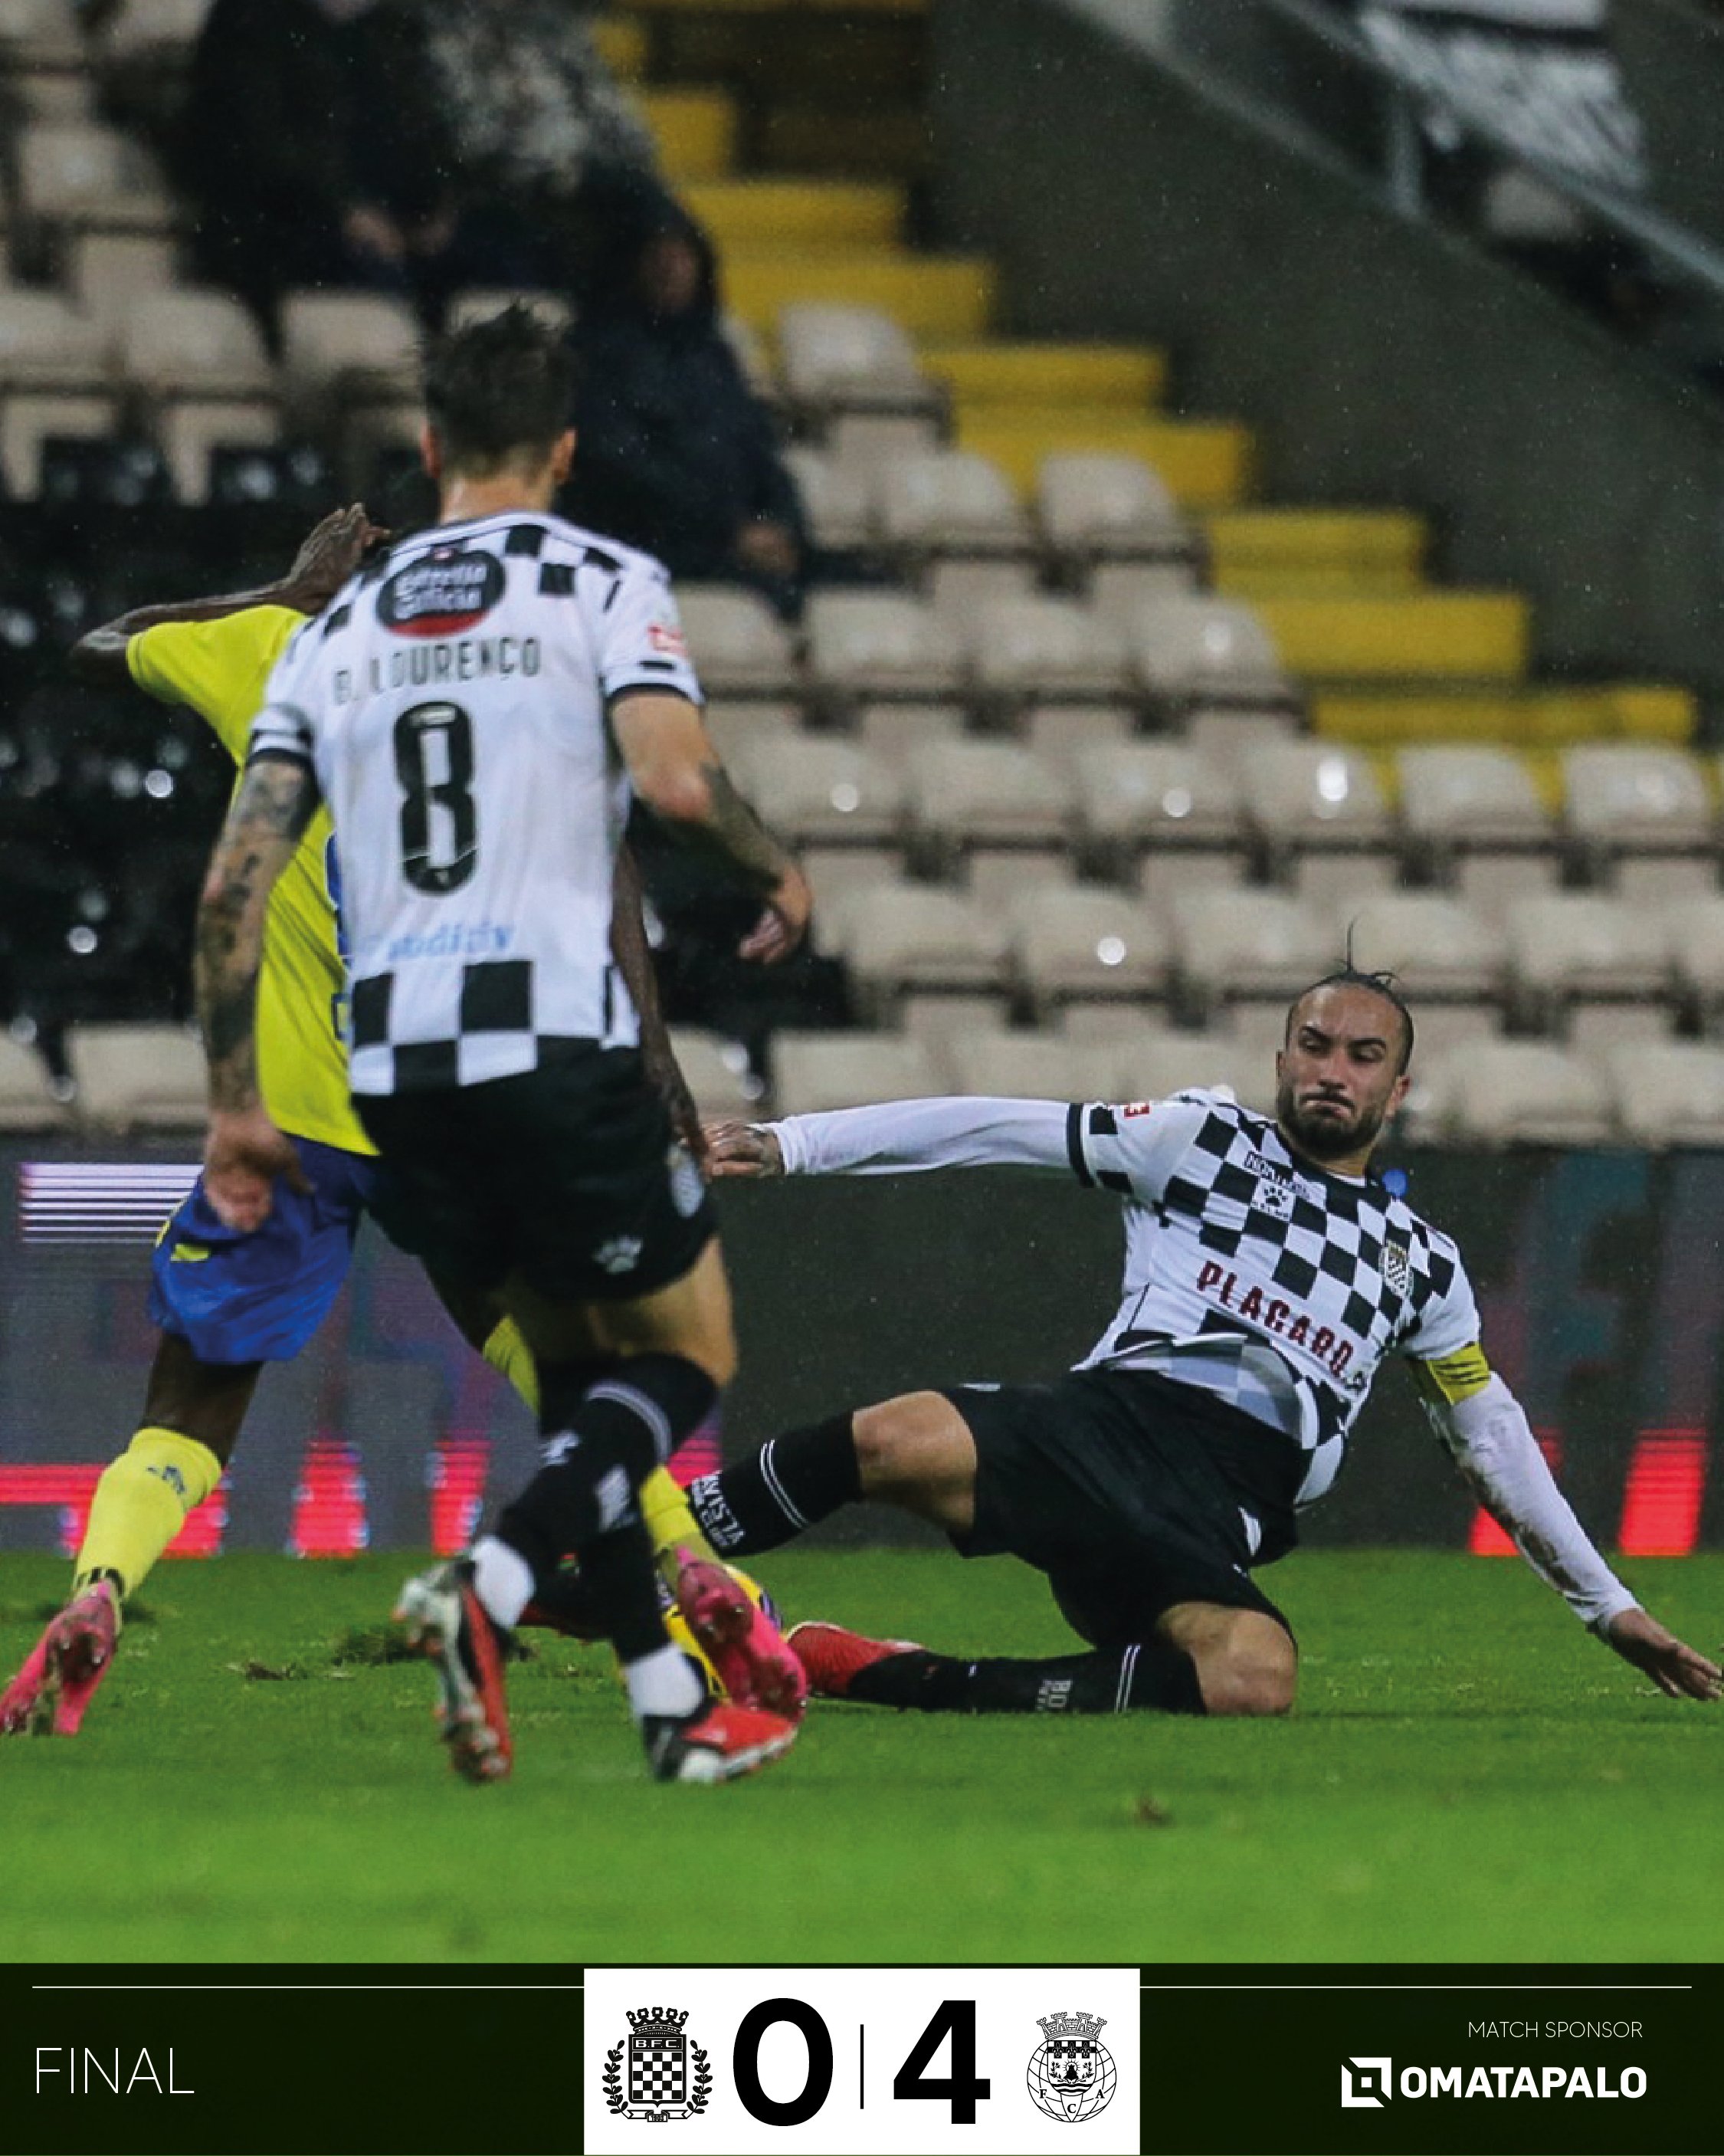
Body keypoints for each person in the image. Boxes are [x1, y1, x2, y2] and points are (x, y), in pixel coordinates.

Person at [0, 505, 796, 1744]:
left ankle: (101, 1589)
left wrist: (277, 588)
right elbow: (614, 888)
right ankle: (699, 1573)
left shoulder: (276, 653)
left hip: (294, 1118)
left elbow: (103, 642)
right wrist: (662, 1080)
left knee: (190, 1405)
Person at [192, 306, 815, 1784]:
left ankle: (669, 1711)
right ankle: (493, 1582)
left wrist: (233, 1108)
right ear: (565, 449)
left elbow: (234, 883)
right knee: (684, 1355)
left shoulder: (335, 627)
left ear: (428, 446)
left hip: (391, 1069)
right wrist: (776, 866)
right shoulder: (599, 579)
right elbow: (673, 781)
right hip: (547, 1039)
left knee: (570, 1376)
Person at [687, 970, 1722, 1718]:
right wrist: (794, 1144)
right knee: (893, 1437)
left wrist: (1609, 1609)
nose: (1332, 1071)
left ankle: (883, 1672)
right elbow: (996, 1126)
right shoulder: (1198, 1141)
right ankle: (656, 1551)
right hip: (1101, 1428)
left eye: (1363, 1057)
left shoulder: (1421, 1263)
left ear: (1395, 1094)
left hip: (1208, 1514)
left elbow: (1488, 1437)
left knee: (1253, 1675)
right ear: (1281, 1059)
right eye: (1314, 1046)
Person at [561, 202, 809, 615]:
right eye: (659, 257)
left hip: (738, 541)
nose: (673, 270)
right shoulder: (593, 356)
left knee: (868, 585)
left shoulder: (714, 355)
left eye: (683, 256)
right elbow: (623, 468)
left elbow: (761, 453)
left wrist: (785, 527)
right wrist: (730, 529)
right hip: (655, 546)